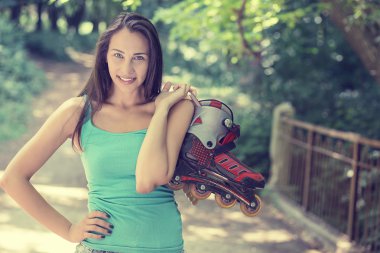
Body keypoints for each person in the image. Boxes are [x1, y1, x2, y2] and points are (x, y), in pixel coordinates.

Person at [0, 12, 197, 253]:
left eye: (139, 58)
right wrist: (70, 230)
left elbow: (148, 180)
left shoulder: (175, 108)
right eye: (118, 55)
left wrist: (161, 109)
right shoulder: (78, 112)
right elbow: (12, 178)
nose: (127, 68)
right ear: (104, 56)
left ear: (152, 60)